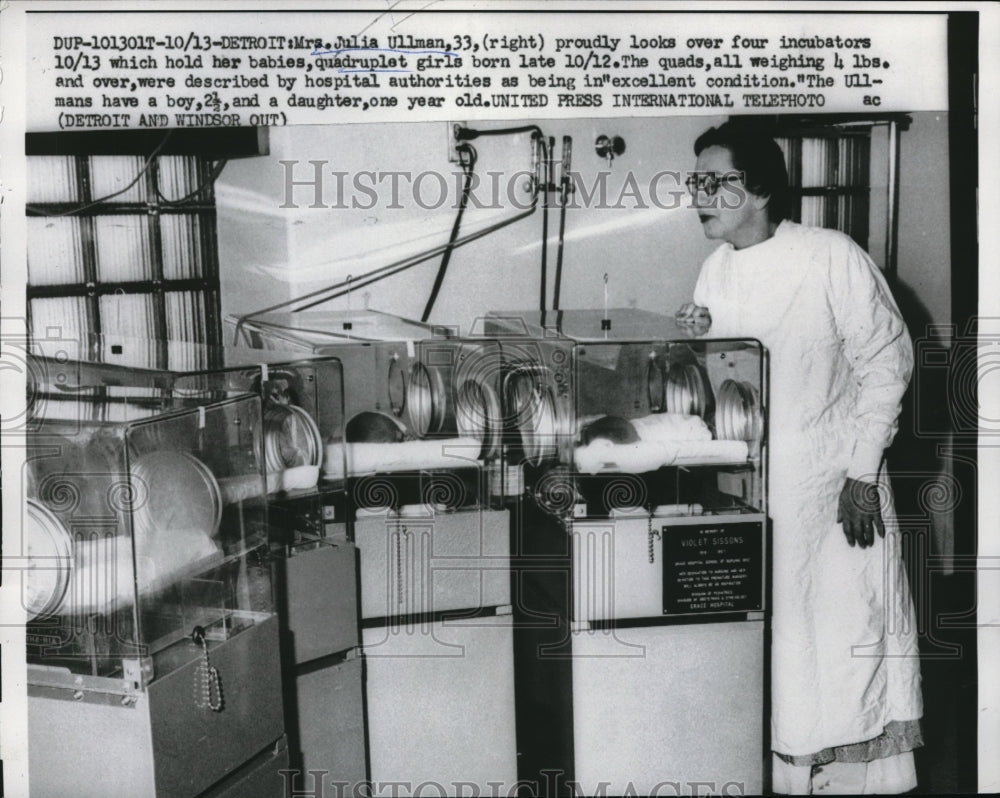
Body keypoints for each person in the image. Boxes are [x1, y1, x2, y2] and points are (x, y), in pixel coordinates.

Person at [676, 122, 923, 795]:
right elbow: (730, 389)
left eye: (715, 180)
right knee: (780, 648)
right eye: (694, 181)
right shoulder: (716, 269)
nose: (700, 194)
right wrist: (693, 341)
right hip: (754, 491)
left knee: (841, 650)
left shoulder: (828, 255)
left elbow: (888, 364)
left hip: (834, 490)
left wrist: (862, 474)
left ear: (758, 190)